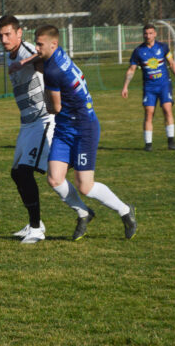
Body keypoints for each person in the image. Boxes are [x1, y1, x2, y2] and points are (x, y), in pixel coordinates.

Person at [35, 25, 137, 241]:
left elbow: (55, 108)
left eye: (39, 44)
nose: (36, 48)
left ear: (53, 44)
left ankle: (125, 210)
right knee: (54, 179)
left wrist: (43, 97)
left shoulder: (53, 71)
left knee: (85, 186)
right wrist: (26, 63)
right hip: (65, 128)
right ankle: (84, 213)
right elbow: (39, 59)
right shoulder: (59, 55)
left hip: (84, 127)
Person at [0, 15, 55, 244]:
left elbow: (44, 59)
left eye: (8, 34)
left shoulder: (27, 50)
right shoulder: (11, 53)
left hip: (43, 119)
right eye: (0, 35)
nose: (4, 39)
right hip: (27, 122)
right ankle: (35, 224)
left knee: (25, 172)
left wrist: (22, 63)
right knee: (16, 173)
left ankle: (37, 228)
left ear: (19, 33)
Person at [121, 23, 175, 151]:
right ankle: (148, 144)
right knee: (149, 113)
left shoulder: (163, 47)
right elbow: (131, 69)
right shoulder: (138, 51)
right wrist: (125, 86)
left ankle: (171, 141)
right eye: (146, 33)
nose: (148, 36)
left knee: (167, 110)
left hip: (164, 85)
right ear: (143, 35)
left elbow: (172, 63)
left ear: (155, 34)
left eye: (150, 33)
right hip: (149, 88)